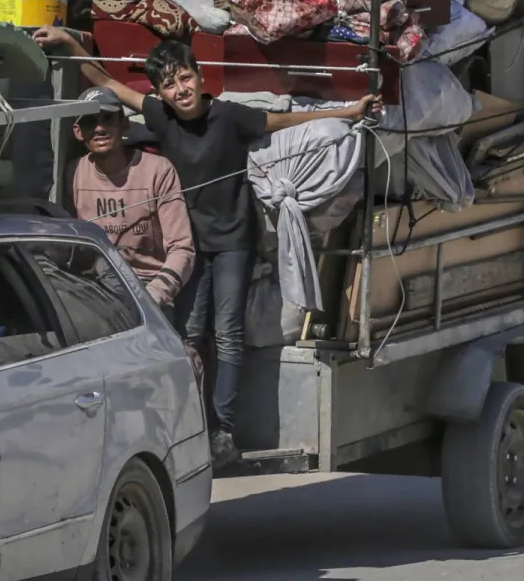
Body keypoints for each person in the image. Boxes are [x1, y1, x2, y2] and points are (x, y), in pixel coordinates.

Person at [35, 29, 376, 469]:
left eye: (185, 78)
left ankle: (223, 430)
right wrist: (68, 41)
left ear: (199, 76)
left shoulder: (230, 116)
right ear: (160, 93)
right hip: (188, 245)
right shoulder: (162, 119)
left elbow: (283, 123)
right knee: (190, 333)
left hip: (233, 242)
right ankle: (190, 424)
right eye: (170, 85)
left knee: (227, 333)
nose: (181, 91)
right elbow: (108, 84)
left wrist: (351, 110)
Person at [65, 87, 195, 314]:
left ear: (123, 124)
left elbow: (182, 248)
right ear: (78, 131)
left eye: (107, 119)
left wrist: (153, 296)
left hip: (147, 288)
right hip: (96, 290)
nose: (99, 128)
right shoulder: (74, 173)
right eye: (89, 122)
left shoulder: (157, 170)